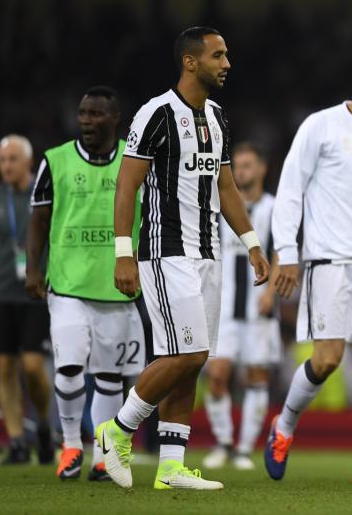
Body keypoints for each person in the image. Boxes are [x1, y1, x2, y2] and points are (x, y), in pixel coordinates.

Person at [96, 26, 269, 491]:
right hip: (165, 251)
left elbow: (226, 186)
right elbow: (127, 185)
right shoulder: (154, 113)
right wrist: (123, 254)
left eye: (227, 55)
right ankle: (116, 431)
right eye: (218, 55)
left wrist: (252, 242)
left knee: (191, 359)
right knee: (187, 352)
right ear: (190, 62)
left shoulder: (217, 116)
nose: (227, 64)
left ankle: (171, 466)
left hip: (207, 250)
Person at [264, 55, 352, 485]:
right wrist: (286, 252)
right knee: (326, 361)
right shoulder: (320, 126)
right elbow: (290, 189)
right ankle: (284, 426)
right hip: (330, 261)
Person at [26, 87, 146, 482]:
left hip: (117, 286)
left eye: (96, 114)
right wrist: (32, 269)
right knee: (70, 365)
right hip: (67, 286)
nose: (86, 121)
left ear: (115, 119)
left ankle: (102, 455)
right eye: (82, 114)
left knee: (111, 376)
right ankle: (71, 445)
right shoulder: (55, 161)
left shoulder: (135, 158)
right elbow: (38, 220)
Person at [203, 142, 279, 471]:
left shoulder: (274, 208)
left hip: (258, 308)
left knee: (256, 377)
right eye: (238, 166)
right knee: (217, 375)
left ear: (261, 169)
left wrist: (271, 294)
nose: (242, 171)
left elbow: (283, 253)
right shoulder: (219, 207)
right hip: (223, 309)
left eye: (248, 165)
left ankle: (245, 448)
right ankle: (223, 442)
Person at [0, 135, 54, 465]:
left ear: (29, 162)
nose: (7, 166)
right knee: (4, 366)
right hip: (1, 291)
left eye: (13, 159)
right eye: (2, 160)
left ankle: (42, 423)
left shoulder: (43, 195)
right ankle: (16, 441)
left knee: (31, 365)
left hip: (35, 290)